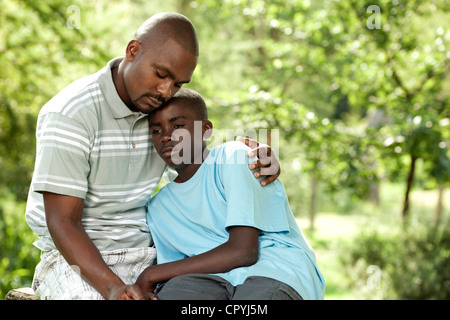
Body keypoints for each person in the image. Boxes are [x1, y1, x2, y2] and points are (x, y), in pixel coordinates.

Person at [25, 12, 280, 300]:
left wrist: (255, 157)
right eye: (161, 74)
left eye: (178, 84)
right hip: (76, 261)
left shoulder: (160, 118)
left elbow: (201, 167)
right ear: (133, 51)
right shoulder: (72, 113)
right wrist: (113, 288)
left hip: (151, 255)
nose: (165, 91)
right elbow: (62, 222)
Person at [136, 88, 325, 300]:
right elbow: (176, 269)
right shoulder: (159, 207)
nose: (167, 136)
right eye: (156, 130)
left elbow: (244, 251)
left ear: (206, 130)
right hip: (208, 280)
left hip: (272, 269)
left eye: (178, 125)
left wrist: (150, 274)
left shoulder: (232, 157)